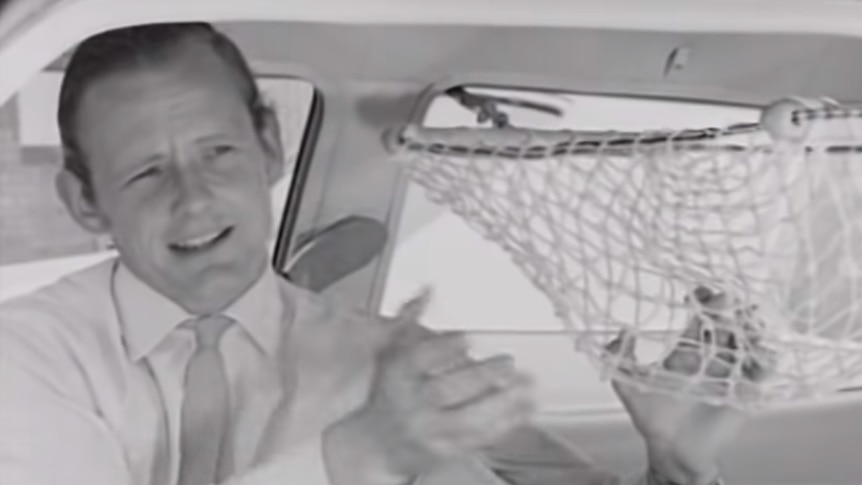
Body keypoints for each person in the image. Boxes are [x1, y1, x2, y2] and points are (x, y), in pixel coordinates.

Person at [0, 22, 751, 485]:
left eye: (218, 151)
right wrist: (367, 453)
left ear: (268, 145)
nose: (193, 200)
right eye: (145, 171)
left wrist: (679, 467)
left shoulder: (398, 360)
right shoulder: (29, 354)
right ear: (86, 202)